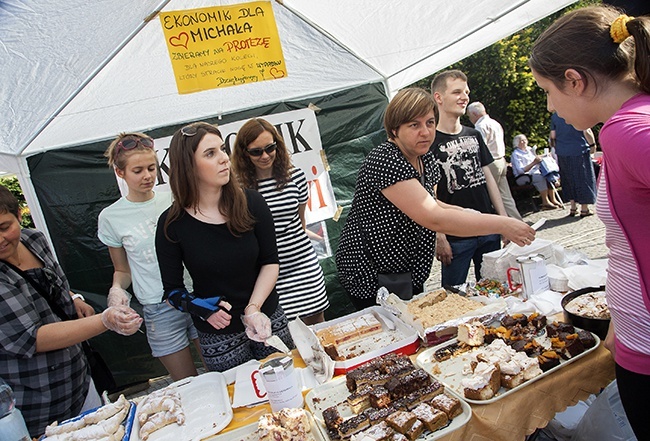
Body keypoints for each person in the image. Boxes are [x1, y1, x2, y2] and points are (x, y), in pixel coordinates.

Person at [530, 6, 650, 439]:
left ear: (575, 80)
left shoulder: (626, 130)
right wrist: (621, 314)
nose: (549, 104)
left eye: (547, 89)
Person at [335, 88, 535, 310]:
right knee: (396, 330)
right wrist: (502, 224)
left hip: (406, 269)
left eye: (430, 123)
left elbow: (432, 201)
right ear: (394, 129)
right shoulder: (386, 160)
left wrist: (469, 213)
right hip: (373, 271)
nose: (425, 132)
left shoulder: (425, 158)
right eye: (414, 125)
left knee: (412, 319)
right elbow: (434, 218)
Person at [0, 185, 142, 438]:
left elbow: (54, 281)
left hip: (79, 379)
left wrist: (71, 296)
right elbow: (33, 337)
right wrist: (106, 320)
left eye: (4, 227)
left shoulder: (34, 240)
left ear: (19, 215)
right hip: (37, 401)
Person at [155, 122, 294, 372]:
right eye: (210, 153)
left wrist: (254, 308)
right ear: (188, 165)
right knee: (238, 402)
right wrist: (200, 308)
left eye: (222, 149)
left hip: (266, 316)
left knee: (287, 387)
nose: (224, 159)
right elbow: (172, 292)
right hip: (218, 335)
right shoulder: (171, 224)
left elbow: (270, 262)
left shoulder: (251, 202)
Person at [98, 133, 202, 381]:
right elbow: (122, 270)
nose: (147, 176)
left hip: (197, 295)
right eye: (138, 170)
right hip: (158, 307)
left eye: (151, 168)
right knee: (187, 383)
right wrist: (117, 292)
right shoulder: (111, 217)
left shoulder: (174, 198)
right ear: (120, 172)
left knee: (221, 370)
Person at [232, 118, 329, 325]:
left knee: (318, 326)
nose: (265, 155)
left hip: (303, 265)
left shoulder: (295, 176)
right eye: (256, 151)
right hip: (267, 274)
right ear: (244, 153)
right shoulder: (238, 188)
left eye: (270, 148)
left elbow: (300, 221)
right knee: (284, 334)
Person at [430, 70, 511, 287]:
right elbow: (431, 195)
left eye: (466, 91)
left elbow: (489, 180)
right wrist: (440, 236)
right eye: (456, 92)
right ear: (438, 97)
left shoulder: (474, 134)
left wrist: (503, 221)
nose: (464, 97)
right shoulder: (429, 142)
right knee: (453, 295)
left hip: (488, 228)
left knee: (495, 290)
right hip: (457, 237)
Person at [467, 101, 523, 220]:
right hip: (501, 160)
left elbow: (481, 148)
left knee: (491, 195)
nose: (469, 119)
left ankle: (498, 224)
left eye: (469, 116)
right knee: (505, 196)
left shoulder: (480, 127)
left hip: (491, 162)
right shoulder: (495, 123)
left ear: (474, 114)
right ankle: (517, 221)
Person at [549, 113, 597, 217]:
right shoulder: (576, 111)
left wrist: (556, 148)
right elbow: (586, 131)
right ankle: (584, 209)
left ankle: (573, 207)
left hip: (562, 152)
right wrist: (593, 144)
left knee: (568, 179)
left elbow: (552, 136)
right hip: (579, 149)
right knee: (583, 178)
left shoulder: (555, 116)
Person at [510, 134, 562, 210]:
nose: (524, 142)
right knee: (539, 177)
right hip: (522, 176)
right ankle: (545, 202)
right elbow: (520, 170)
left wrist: (544, 156)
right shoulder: (516, 154)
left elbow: (536, 159)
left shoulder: (529, 150)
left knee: (548, 174)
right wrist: (534, 163)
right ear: (517, 143)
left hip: (534, 172)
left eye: (525, 139)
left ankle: (553, 199)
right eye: (521, 140)